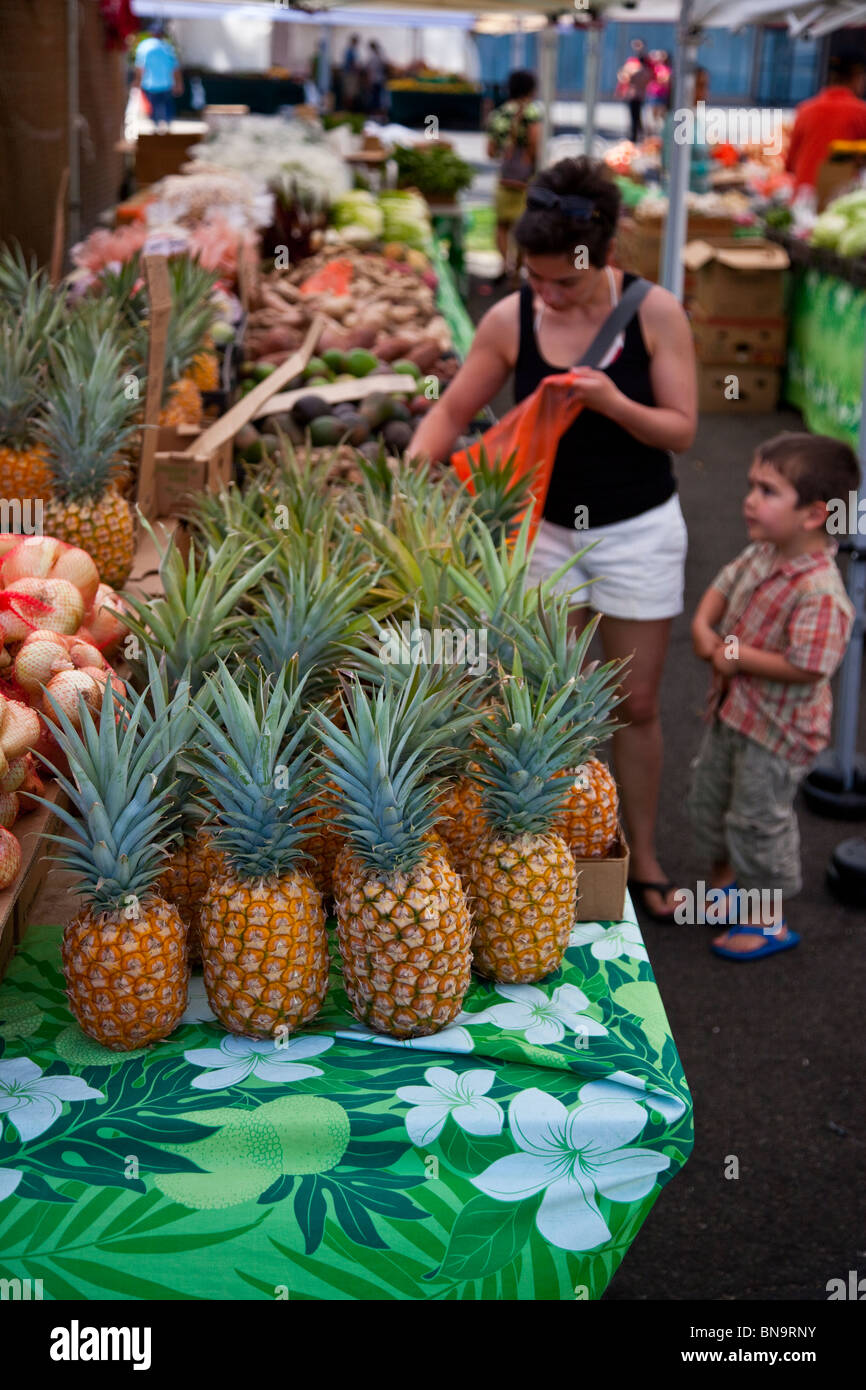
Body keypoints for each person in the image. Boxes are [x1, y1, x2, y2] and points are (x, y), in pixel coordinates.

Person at [408, 157, 698, 921]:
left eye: (560, 282)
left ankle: (643, 854)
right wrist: (412, 471)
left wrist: (611, 402)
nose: (545, 293)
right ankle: (552, 844)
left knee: (634, 702)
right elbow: (449, 411)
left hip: (638, 528)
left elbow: (682, 429)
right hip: (540, 537)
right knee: (542, 699)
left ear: (600, 258)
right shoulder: (510, 320)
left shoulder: (655, 313)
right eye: (532, 278)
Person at [689, 433, 858, 960]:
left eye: (767, 490)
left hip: (776, 735)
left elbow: (810, 666)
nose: (749, 499)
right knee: (710, 802)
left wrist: (732, 655)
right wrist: (701, 622)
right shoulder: (762, 553)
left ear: (814, 514)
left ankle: (767, 921)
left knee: (758, 822)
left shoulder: (821, 591)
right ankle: (723, 890)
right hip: (731, 717)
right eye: (750, 486)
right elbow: (724, 582)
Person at [486, 70, 542, 283]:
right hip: (526, 180)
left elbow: (490, 151)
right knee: (522, 228)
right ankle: (517, 272)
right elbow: (535, 143)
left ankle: (505, 264)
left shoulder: (498, 114)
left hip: (504, 176)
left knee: (502, 225)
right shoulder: (532, 113)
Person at [785, 51, 866, 192]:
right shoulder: (861, 112)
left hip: (803, 196)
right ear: (857, 77)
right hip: (839, 199)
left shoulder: (805, 109)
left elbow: (790, 164)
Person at [662, 66, 712, 195]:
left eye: (706, 86)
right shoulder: (677, 120)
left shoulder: (695, 118)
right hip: (681, 199)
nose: (705, 92)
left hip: (697, 197)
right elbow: (672, 165)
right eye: (700, 86)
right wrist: (715, 167)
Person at [132, 24, 182, 130]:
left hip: (150, 83)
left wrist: (137, 81)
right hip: (166, 83)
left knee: (153, 108)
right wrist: (178, 83)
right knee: (167, 107)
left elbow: (140, 67)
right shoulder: (168, 47)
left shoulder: (144, 46)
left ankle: (156, 129)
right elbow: (175, 68)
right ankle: (167, 129)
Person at [618, 42, 653, 144]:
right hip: (636, 94)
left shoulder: (643, 66)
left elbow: (626, 77)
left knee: (636, 116)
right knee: (636, 116)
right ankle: (638, 135)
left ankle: (637, 136)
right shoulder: (632, 63)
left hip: (637, 94)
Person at [366, 40, 387, 119]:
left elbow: (370, 70)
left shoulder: (374, 57)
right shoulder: (379, 55)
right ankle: (377, 112)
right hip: (378, 79)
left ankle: (376, 112)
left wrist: (369, 80)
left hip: (375, 79)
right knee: (377, 97)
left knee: (376, 97)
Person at [341, 32, 361, 112]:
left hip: (349, 73)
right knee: (350, 93)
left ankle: (348, 109)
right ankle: (348, 110)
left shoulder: (350, 50)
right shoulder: (351, 51)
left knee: (349, 92)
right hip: (350, 74)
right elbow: (353, 63)